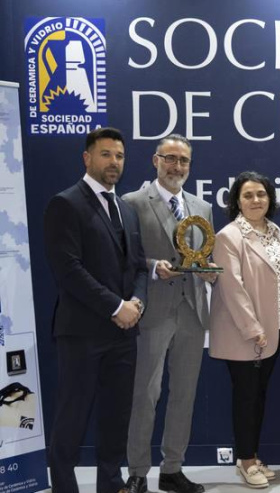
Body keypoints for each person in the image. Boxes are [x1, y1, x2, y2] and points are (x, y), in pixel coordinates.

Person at [43, 127, 148, 493]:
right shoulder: (65, 204)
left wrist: (136, 303)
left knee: (115, 418)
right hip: (82, 333)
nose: (114, 162)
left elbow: (138, 266)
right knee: (72, 418)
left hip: (124, 334)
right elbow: (68, 269)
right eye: (106, 154)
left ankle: (110, 484)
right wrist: (116, 306)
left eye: (119, 156)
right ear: (87, 158)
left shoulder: (127, 210)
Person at [121, 134, 216, 493]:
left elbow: (203, 255)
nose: (177, 166)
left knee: (184, 394)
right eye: (170, 158)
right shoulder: (132, 202)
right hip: (153, 312)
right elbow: (123, 258)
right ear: (155, 160)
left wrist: (210, 270)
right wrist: (152, 266)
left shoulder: (202, 207)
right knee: (145, 395)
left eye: (183, 160)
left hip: (193, 311)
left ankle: (172, 469)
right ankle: (137, 472)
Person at [208, 171, 280, 489]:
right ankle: (245, 461)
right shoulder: (228, 236)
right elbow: (233, 287)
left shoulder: (274, 231)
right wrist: (253, 328)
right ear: (237, 201)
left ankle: (252, 456)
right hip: (245, 333)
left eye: (261, 194)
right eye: (248, 195)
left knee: (258, 395)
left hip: (276, 327)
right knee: (246, 397)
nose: (256, 200)